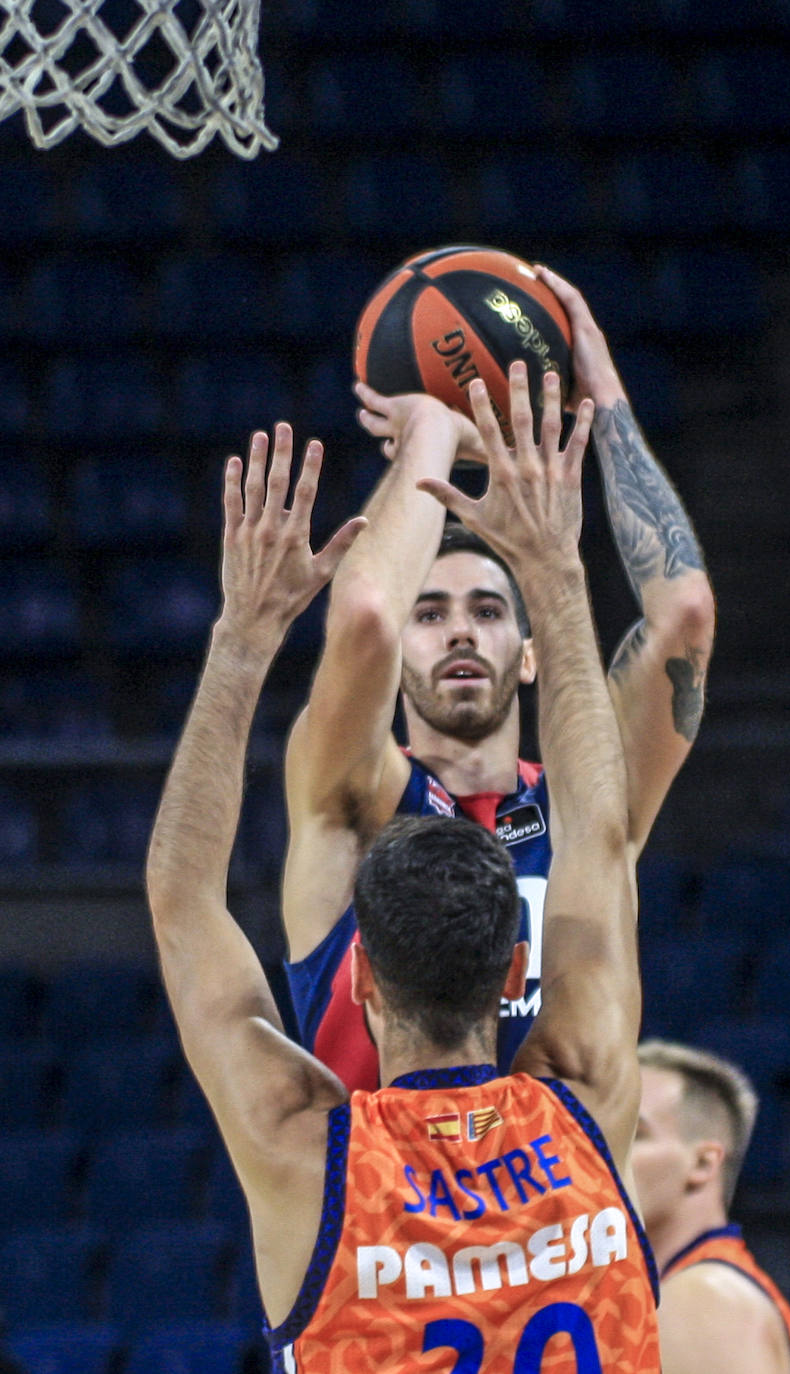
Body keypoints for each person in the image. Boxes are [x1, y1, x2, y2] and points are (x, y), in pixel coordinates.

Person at [146, 376, 661, 1370]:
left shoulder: (307, 1153)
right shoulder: (586, 1103)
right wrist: (555, 567)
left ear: (365, 980)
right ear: (517, 973)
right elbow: (598, 833)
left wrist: (243, 635)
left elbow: (178, 899)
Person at [281, 266, 716, 1090]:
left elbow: (684, 612)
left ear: (527, 651)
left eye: (485, 610)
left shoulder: (586, 807)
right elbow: (367, 616)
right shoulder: (355, 797)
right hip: (381, 1212)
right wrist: (433, 430)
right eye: (431, 611)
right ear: (401, 655)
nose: (456, 631)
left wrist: (602, 395)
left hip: (554, 1212)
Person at [632, 1038, 790, 1374]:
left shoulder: (701, 1299)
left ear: (703, 1163)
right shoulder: (710, 1287)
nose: (603, 1150)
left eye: (635, 1134)